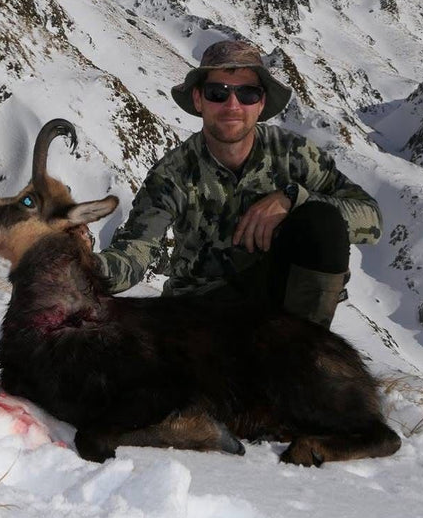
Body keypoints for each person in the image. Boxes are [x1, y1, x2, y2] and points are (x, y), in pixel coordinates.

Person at [95, 40, 382, 329]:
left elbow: (371, 219)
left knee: (322, 220)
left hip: (277, 302)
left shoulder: (294, 155)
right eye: (217, 93)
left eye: (247, 93)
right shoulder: (173, 174)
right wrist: (86, 268)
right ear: (198, 100)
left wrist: (292, 198)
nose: (232, 105)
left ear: (260, 104)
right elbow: (136, 251)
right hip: (198, 312)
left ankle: (305, 351)